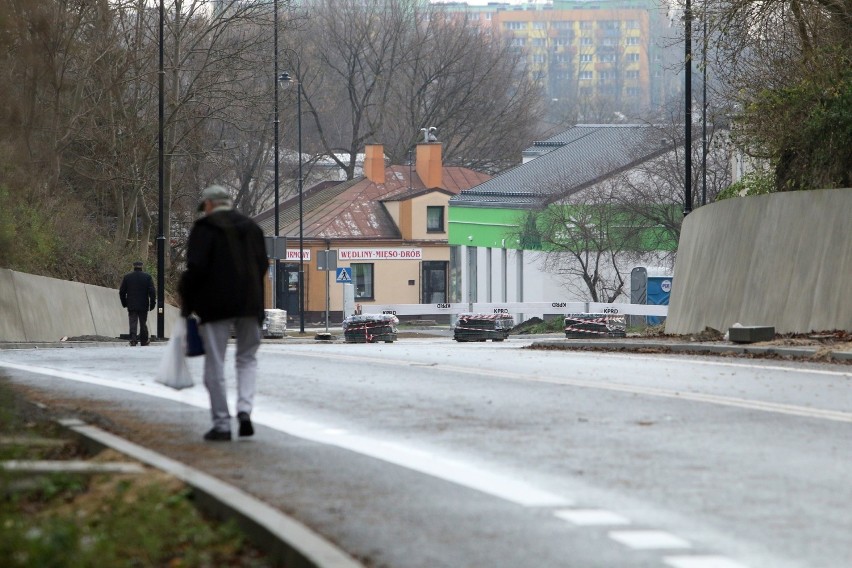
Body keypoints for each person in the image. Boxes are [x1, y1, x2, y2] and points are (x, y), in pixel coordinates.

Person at [179, 185, 268, 442]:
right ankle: (244, 410)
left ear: (209, 204)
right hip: (250, 305)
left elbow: (195, 268)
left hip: (214, 306)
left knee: (215, 363)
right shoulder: (253, 228)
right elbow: (262, 265)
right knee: (247, 358)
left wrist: (188, 302)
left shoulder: (204, 229)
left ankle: (222, 424)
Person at [119, 261, 156, 346]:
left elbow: (122, 291)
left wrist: (124, 303)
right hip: (143, 304)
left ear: (134, 266)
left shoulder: (127, 277)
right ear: (141, 267)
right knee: (143, 323)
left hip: (131, 304)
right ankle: (144, 340)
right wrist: (152, 303)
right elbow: (152, 291)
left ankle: (133, 339)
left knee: (133, 322)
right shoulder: (147, 277)